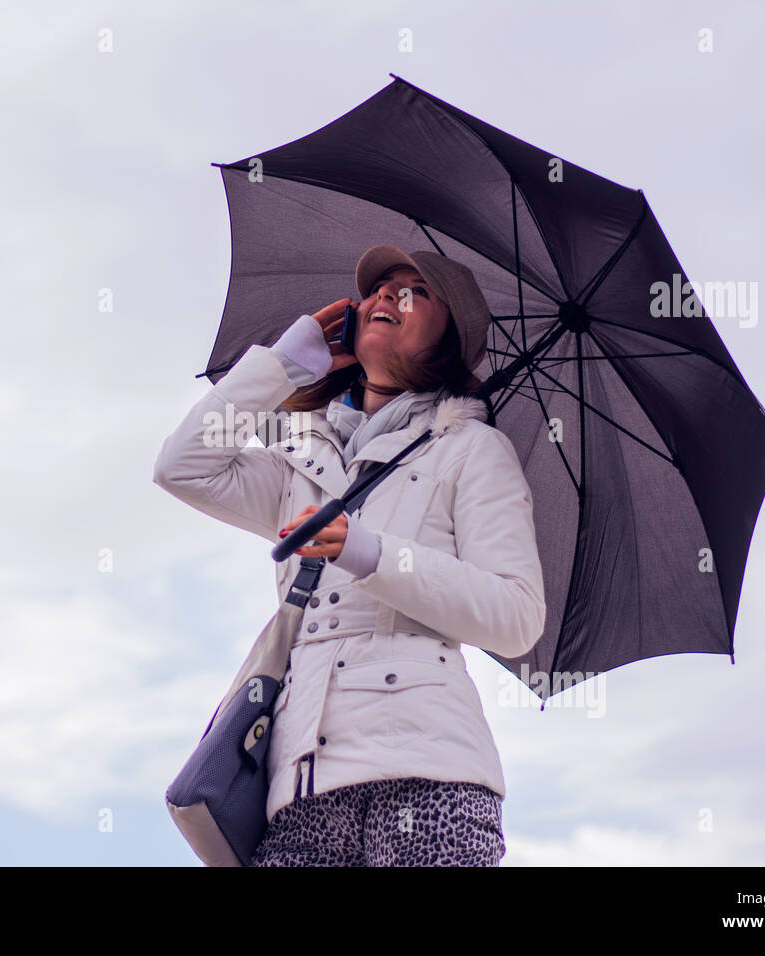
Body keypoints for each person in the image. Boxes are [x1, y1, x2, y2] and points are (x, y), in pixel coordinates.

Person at [153, 244, 547, 866]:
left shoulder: (472, 450)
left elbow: (516, 616)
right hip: (298, 788)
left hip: (430, 773)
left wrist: (370, 553)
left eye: (416, 290)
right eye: (381, 287)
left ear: (447, 339)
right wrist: (282, 367)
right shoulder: (302, 459)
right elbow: (182, 469)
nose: (387, 295)